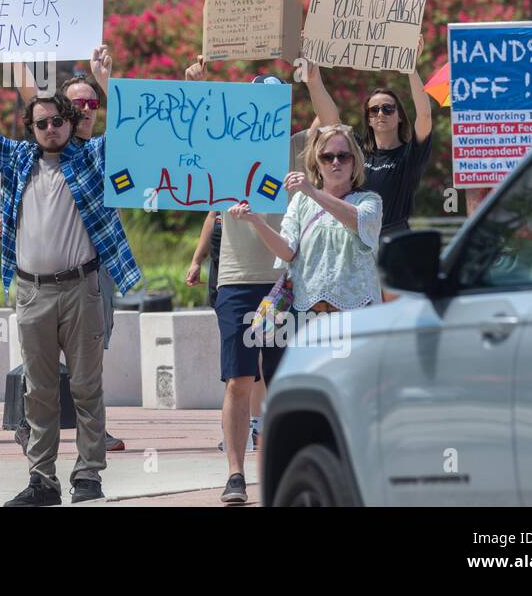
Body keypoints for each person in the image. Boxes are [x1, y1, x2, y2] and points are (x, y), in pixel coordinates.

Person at [0, 45, 141, 506]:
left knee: (87, 387)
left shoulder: (92, 159)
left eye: (58, 121)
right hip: (31, 293)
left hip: (83, 289)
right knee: (39, 392)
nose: (51, 129)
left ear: (70, 123)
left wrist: (107, 79)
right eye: (42, 123)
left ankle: (88, 476)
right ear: (31, 129)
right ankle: (42, 481)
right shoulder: (17, 159)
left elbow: (133, 129)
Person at [181, 58, 317, 504]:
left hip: (284, 280)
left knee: (282, 379)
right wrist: (198, 88)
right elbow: (189, 135)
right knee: (239, 380)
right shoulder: (227, 146)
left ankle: (282, 468)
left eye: (275, 100)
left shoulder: (298, 146)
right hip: (238, 281)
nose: (266, 108)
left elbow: (332, 122)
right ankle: (236, 475)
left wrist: (314, 78)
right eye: (258, 99)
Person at [17, 64, 125, 452]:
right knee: (43, 378)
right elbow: (33, 104)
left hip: (94, 273)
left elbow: (134, 127)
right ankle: (39, 448)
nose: (85, 110)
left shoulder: (96, 152)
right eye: (76, 103)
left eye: (92, 102)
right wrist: (15, 60)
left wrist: (107, 77)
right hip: (39, 286)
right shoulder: (36, 153)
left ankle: (89, 459)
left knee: (87, 371)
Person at [230, 124, 383, 314]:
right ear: (317, 165)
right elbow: (287, 251)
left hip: (358, 310)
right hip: (309, 312)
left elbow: (356, 220)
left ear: (354, 162)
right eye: (327, 157)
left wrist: (312, 191)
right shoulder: (301, 200)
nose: (335, 162)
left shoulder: (369, 201)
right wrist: (256, 222)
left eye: (343, 156)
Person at [309, 48, 434, 238]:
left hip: (393, 242)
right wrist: (313, 80)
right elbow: (330, 119)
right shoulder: (356, 149)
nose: (380, 114)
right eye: (374, 110)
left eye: (388, 109)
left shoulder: (409, 154)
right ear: (368, 119)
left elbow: (424, 116)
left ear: (399, 116)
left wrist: (411, 68)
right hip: (355, 239)